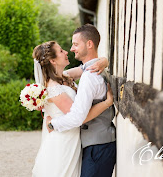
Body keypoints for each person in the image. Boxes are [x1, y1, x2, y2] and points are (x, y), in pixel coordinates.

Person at [31, 40, 113, 177]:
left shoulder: (65, 76)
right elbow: (81, 117)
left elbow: (86, 67)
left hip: (74, 137)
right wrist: (107, 103)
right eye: (61, 51)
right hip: (64, 141)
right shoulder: (53, 88)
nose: (66, 52)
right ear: (53, 61)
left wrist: (104, 61)